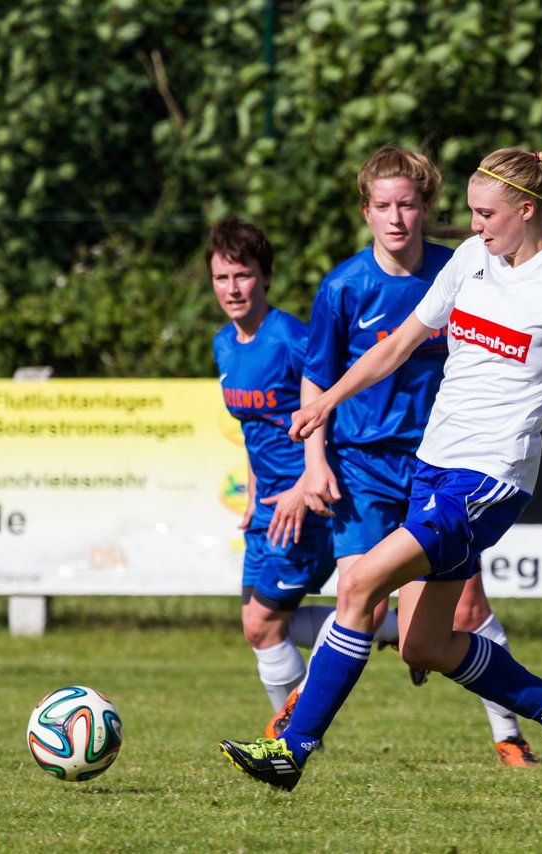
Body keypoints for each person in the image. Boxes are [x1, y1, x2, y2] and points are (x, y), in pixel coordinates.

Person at [219, 146, 542, 792]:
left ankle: (291, 749)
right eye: (469, 213)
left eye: (486, 214)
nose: (474, 225)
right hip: (432, 473)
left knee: (358, 587)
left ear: (526, 210)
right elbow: (400, 343)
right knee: (422, 643)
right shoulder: (470, 261)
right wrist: (326, 399)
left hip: (487, 484)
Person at [267, 145, 539, 767]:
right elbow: (318, 377)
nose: (396, 218)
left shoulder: (464, 269)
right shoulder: (343, 288)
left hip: (446, 466)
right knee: (361, 596)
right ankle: (299, 725)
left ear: (426, 208)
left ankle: (508, 733)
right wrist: (316, 461)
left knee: (466, 608)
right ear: (366, 211)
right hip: (362, 468)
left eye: (408, 205)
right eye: (383, 206)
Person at [208, 219, 338, 719]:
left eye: (242, 275)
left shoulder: (291, 339)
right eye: (222, 278)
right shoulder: (224, 344)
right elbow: (253, 426)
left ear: (264, 277)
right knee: (255, 627)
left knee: (264, 623)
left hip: (303, 503)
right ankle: (382, 625)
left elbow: (334, 408)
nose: (232, 289)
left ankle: (293, 735)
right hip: (265, 508)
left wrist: (308, 479)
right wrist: (252, 490)